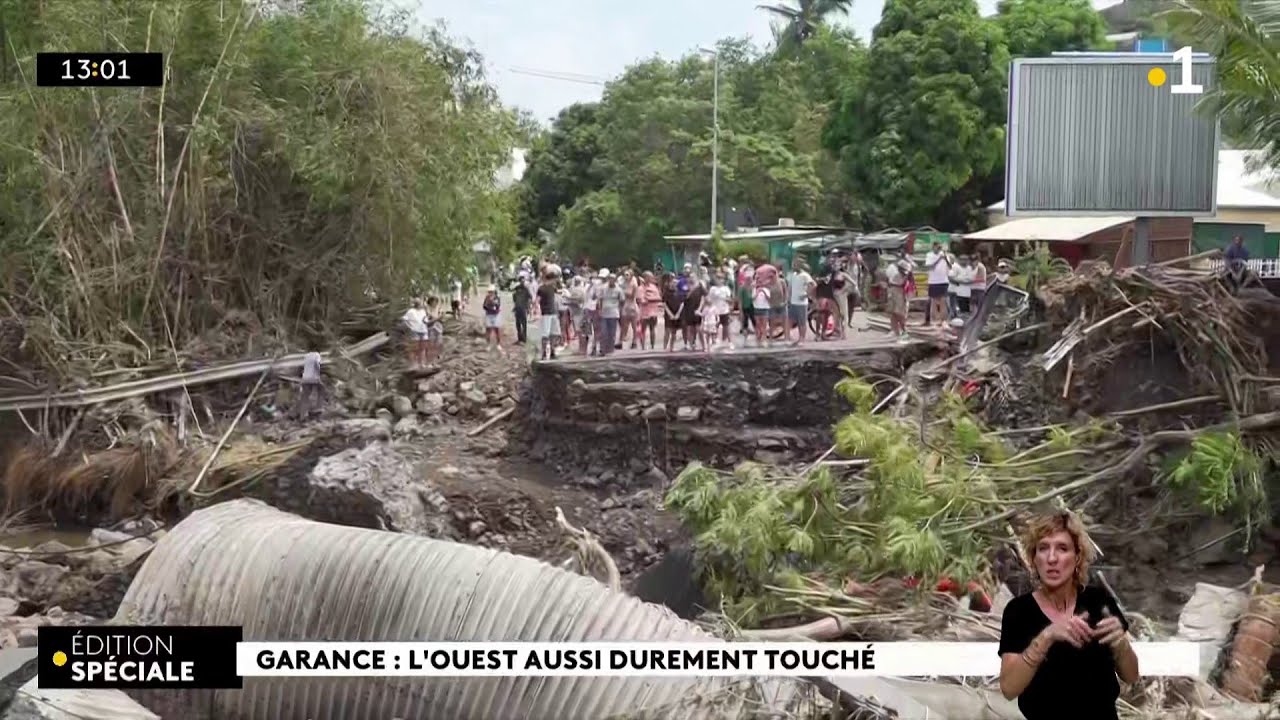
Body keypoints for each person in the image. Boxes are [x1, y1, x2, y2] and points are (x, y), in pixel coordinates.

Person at [998, 510, 1138, 720]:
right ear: (1034, 558)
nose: (1052, 558)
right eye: (1043, 548)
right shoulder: (1019, 611)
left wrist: (1122, 646)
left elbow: (1131, 675)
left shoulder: (1099, 602)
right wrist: (1046, 637)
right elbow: (1009, 689)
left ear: (1077, 557)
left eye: (1062, 548)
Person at [786, 260, 814, 346]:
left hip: (801, 303)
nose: (793, 266)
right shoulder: (793, 275)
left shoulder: (805, 275)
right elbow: (790, 287)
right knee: (790, 320)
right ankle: (789, 338)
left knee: (802, 322)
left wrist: (806, 295)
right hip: (793, 302)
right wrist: (788, 298)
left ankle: (801, 339)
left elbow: (812, 285)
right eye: (793, 265)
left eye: (795, 265)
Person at [924, 242, 952, 327]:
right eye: (936, 247)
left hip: (944, 281)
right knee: (933, 301)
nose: (937, 249)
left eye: (939, 247)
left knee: (944, 301)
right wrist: (939, 259)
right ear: (933, 247)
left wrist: (945, 258)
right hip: (933, 281)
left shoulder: (945, 255)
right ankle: (931, 319)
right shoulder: (929, 255)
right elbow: (930, 267)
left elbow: (950, 267)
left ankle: (943, 320)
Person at [598, 271, 625, 355]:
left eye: (613, 279)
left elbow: (622, 300)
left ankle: (610, 349)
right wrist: (600, 309)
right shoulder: (603, 288)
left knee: (612, 332)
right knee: (603, 332)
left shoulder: (618, 289)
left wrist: (620, 309)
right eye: (610, 279)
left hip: (614, 313)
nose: (611, 281)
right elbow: (600, 299)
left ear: (615, 280)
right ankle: (603, 348)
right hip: (604, 313)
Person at [884, 258, 910, 342]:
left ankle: (904, 330)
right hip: (893, 290)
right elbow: (888, 281)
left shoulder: (905, 275)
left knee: (899, 312)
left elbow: (905, 284)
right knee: (893, 312)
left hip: (900, 291)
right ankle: (894, 330)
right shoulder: (894, 272)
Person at [536, 271, 560, 360]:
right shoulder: (542, 289)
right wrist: (536, 310)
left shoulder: (552, 288)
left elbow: (557, 294)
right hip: (546, 313)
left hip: (553, 312)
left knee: (554, 333)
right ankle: (544, 352)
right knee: (545, 334)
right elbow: (537, 300)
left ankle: (553, 351)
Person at [707, 273, 734, 350]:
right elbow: (709, 299)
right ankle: (714, 341)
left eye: (721, 278)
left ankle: (729, 342)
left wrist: (726, 299)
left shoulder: (726, 288)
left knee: (726, 327)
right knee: (714, 327)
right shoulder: (713, 289)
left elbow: (730, 299)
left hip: (724, 310)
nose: (719, 280)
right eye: (718, 278)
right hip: (715, 311)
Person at [401, 298, 429, 369]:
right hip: (415, 331)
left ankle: (422, 364)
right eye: (417, 302)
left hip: (423, 331)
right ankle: (414, 364)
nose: (419, 304)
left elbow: (426, 320)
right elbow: (404, 320)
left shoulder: (423, 311)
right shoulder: (410, 311)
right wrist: (409, 327)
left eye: (419, 302)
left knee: (423, 348)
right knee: (414, 348)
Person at [638, 272, 663, 351]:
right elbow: (641, 300)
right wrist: (650, 299)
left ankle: (652, 346)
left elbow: (658, 298)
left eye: (651, 277)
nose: (651, 279)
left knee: (652, 329)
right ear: (645, 278)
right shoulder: (640, 288)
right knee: (643, 329)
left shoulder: (654, 287)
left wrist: (649, 299)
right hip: (644, 312)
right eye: (649, 277)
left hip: (653, 312)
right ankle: (643, 346)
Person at [296, 350, 323, 419]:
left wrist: (301, 376)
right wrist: (319, 374)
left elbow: (300, 367)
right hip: (314, 378)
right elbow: (317, 365)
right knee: (319, 392)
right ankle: (317, 409)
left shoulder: (306, 356)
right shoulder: (316, 355)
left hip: (305, 378)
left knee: (305, 396)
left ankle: (303, 415)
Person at [662, 273, 682, 352]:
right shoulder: (666, 293)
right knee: (667, 330)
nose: (674, 284)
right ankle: (664, 347)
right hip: (669, 314)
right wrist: (670, 314)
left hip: (676, 313)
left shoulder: (678, 292)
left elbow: (682, 304)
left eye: (675, 283)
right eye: (672, 283)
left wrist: (678, 314)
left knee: (674, 332)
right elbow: (664, 304)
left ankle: (672, 347)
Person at [512, 279, 532, 345]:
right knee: (518, 324)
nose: (522, 282)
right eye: (521, 281)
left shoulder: (526, 290)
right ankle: (520, 338)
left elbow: (530, 298)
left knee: (523, 324)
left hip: (523, 308)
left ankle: (523, 339)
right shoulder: (517, 289)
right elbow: (514, 299)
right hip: (518, 309)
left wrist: (528, 307)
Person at [425, 296, 444, 363]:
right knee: (431, 343)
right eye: (433, 301)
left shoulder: (438, 308)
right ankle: (430, 359)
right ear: (430, 302)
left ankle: (438, 356)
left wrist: (439, 318)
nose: (435, 303)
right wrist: (437, 318)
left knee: (439, 342)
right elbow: (428, 319)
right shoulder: (427, 308)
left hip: (438, 327)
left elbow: (441, 317)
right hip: (430, 328)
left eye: (436, 301)